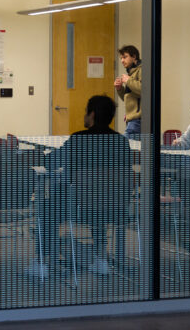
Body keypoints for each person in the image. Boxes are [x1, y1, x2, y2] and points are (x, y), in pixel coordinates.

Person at [36, 95, 133, 277]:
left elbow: (50, 163)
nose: (84, 116)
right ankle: (100, 258)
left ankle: (41, 262)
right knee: (99, 202)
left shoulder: (79, 140)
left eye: (85, 112)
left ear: (92, 114)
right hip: (118, 207)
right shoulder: (121, 141)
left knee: (45, 207)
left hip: (81, 209)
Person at [114, 45, 142, 139]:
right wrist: (119, 89)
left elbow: (145, 91)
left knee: (123, 148)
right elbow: (129, 98)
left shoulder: (141, 70)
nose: (122, 60)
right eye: (121, 58)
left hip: (137, 120)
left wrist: (128, 81)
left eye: (125, 57)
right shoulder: (132, 73)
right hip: (132, 119)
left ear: (134, 56)